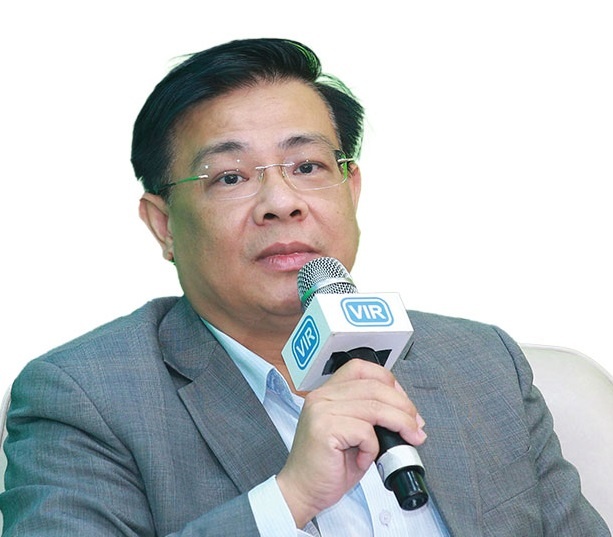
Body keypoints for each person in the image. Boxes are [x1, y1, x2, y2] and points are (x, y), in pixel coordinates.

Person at [0, 38, 609, 537]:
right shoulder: (86, 398)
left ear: (352, 190)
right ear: (164, 225)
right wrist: (287, 499)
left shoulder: (482, 364)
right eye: (231, 176)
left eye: (309, 167)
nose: (282, 202)